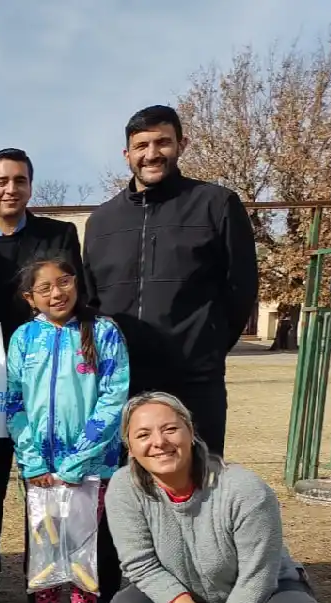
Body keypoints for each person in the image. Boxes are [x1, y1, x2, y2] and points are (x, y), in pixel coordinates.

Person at [104, 393, 331, 603]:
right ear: (130, 446)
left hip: (267, 592)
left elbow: (258, 575)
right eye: (143, 435)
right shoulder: (125, 488)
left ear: (191, 430)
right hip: (191, 598)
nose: (159, 443)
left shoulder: (243, 489)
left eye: (170, 429)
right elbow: (141, 566)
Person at [83, 106, 258, 457]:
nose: (151, 154)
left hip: (193, 380)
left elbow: (241, 287)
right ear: (127, 154)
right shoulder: (102, 221)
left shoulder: (216, 204)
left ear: (181, 144)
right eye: (141, 145)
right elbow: (91, 300)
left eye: (162, 142)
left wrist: (207, 346)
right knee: (125, 488)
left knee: (198, 481)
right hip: (122, 381)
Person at [0, 149, 86, 603]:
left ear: (30, 186)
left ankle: (45, 583)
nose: (11, 189)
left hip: (49, 385)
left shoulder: (58, 235)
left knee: (46, 489)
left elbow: (76, 298)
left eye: (20, 180)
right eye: (1, 181)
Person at [4, 258, 129, 603]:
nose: (57, 293)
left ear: (77, 283)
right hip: (40, 469)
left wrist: (78, 460)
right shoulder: (24, 338)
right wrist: (33, 460)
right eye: (45, 288)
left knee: (80, 551)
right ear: (29, 298)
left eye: (64, 282)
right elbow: (14, 400)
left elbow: (114, 397)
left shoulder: (104, 332)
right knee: (45, 548)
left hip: (88, 467)